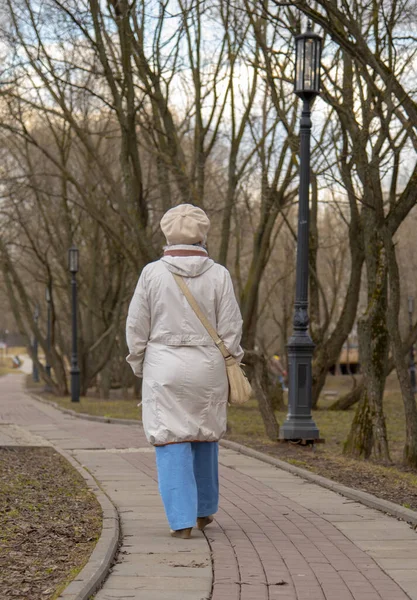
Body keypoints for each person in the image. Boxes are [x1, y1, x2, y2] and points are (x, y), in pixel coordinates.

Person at [126, 204, 244, 539]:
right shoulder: (218, 274)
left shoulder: (152, 273)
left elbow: (137, 325)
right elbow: (232, 327)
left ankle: (181, 522)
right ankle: (204, 511)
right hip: (208, 364)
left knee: (170, 437)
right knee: (204, 435)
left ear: (167, 233)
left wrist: (139, 362)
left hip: (163, 365)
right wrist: (231, 359)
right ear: (202, 235)